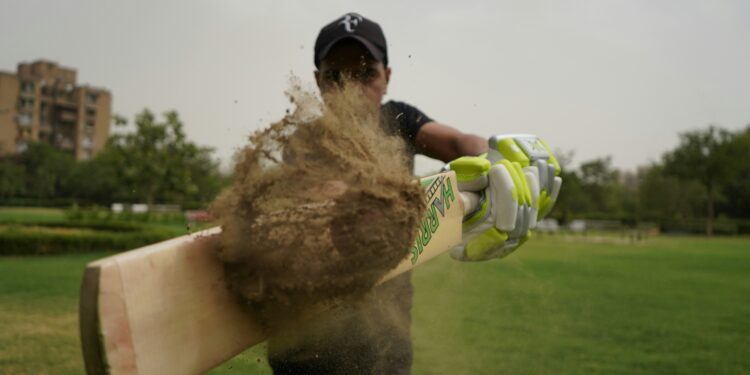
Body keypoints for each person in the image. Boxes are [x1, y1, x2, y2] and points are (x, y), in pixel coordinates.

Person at [267, 12, 561, 375]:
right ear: (318, 81)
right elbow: (325, 194)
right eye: (335, 76)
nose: (351, 88)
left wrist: (495, 157)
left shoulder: (400, 119)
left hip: (386, 349)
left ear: (386, 78)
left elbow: (457, 142)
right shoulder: (303, 140)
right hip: (306, 350)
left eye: (365, 74)